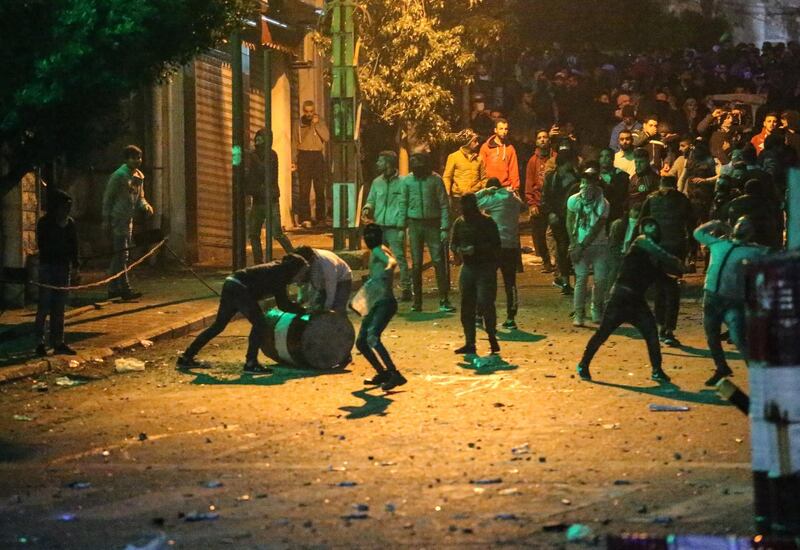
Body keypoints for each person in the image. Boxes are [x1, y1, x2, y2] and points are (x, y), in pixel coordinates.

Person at [576, 217, 682, 383]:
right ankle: (583, 364)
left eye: (654, 225)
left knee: (652, 334)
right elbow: (660, 253)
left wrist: (675, 277)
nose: (651, 229)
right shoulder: (640, 242)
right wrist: (676, 262)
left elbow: (663, 278)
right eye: (647, 225)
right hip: (621, 297)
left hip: (636, 301)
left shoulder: (653, 259)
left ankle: (657, 370)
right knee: (603, 333)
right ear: (641, 229)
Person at [176, 254, 309, 373]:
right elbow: (283, 304)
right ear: (295, 270)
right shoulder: (280, 275)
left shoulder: (278, 270)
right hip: (240, 289)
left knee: (218, 326)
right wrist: (305, 311)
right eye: (301, 273)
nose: (301, 277)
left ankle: (187, 357)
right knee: (260, 324)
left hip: (231, 283)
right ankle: (251, 363)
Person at [694, 217, 769, 386]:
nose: (741, 225)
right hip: (711, 297)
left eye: (746, 224)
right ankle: (721, 368)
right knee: (712, 337)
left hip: (733, 300)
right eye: (739, 222)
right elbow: (697, 233)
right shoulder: (719, 243)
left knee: (738, 338)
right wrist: (716, 223)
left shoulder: (753, 251)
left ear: (751, 232)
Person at [639, 175, 695, 346]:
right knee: (672, 290)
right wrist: (692, 250)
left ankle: (660, 325)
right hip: (676, 250)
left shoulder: (651, 199)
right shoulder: (683, 200)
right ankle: (668, 329)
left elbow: (641, 223)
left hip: (656, 250)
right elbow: (691, 225)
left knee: (660, 289)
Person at [399, 152, 454, 313]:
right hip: (415, 224)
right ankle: (417, 302)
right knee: (416, 265)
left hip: (433, 223)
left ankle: (443, 299)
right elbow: (403, 203)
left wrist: (444, 228)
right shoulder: (408, 181)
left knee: (438, 261)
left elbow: (444, 204)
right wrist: (402, 227)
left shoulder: (435, 180)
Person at [451, 193, 501, 355]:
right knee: (467, 307)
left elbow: (496, 246)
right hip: (469, 267)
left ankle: (492, 336)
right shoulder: (459, 223)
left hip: (484, 268)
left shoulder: (487, 222)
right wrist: (459, 251)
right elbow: (454, 244)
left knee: (486, 304)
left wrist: (477, 250)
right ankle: (470, 342)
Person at [357, 224, 406, 391]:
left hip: (384, 302)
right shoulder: (378, 250)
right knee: (362, 342)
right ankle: (383, 373)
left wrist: (388, 268)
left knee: (371, 338)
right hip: (376, 302)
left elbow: (391, 262)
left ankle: (394, 373)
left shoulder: (379, 250)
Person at [102, 144, 153, 300]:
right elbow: (108, 198)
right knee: (121, 254)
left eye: (139, 157)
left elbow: (140, 197)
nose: (137, 161)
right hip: (118, 218)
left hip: (128, 219)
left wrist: (145, 206)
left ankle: (115, 287)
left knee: (122, 255)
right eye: (134, 158)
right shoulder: (119, 176)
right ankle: (122, 288)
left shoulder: (139, 176)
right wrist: (105, 219)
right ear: (126, 159)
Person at [476, 177, 527, 329]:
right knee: (510, 283)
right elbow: (523, 207)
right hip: (511, 246)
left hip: (494, 246)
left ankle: (480, 315)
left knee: (486, 281)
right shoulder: (514, 200)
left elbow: (470, 201)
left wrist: (484, 192)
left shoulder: (493, 198)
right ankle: (511, 318)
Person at [362, 151, 412, 301]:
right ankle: (380, 290)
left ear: (388, 163)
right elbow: (371, 200)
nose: (378, 164)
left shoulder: (403, 182)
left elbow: (407, 203)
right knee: (376, 259)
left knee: (400, 258)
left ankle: (406, 289)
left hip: (395, 227)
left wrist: (403, 224)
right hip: (379, 226)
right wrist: (367, 208)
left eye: (380, 161)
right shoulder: (377, 182)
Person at [35, 189, 79, 357]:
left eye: (68, 207)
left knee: (59, 307)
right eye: (63, 207)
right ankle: (40, 342)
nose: (66, 211)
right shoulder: (45, 223)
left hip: (63, 268)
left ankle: (58, 342)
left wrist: (76, 266)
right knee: (44, 306)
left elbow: (74, 246)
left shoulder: (70, 224)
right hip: (48, 267)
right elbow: (44, 246)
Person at [566, 165, 610, 326]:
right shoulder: (573, 200)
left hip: (598, 245)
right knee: (581, 278)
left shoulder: (603, 203)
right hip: (578, 245)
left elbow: (597, 226)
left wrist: (581, 246)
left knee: (600, 279)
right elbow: (569, 221)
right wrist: (573, 243)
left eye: (590, 182)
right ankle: (578, 313)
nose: (586, 186)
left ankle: (596, 308)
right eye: (584, 182)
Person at [246, 128, 293, 263]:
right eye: (257, 139)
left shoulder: (272, 155)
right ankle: (258, 262)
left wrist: (253, 158)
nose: (257, 142)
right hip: (257, 200)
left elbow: (264, 171)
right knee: (254, 233)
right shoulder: (253, 155)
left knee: (277, 233)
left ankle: (296, 256)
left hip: (271, 200)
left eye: (261, 139)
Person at [541, 146, 579, 294]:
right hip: (558, 219)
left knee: (570, 249)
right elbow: (545, 198)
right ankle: (565, 281)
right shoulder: (552, 178)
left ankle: (572, 281)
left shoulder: (576, 178)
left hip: (572, 218)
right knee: (562, 249)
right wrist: (550, 213)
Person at [295, 100, 330, 228]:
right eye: (307, 111)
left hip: (317, 156)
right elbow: (295, 142)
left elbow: (326, 137)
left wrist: (316, 125)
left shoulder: (320, 122)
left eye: (311, 111)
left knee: (319, 188)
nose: (309, 114)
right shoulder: (299, 123)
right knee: (304, 189)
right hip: (304, 155)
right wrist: (294, 160)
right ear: (303, 111)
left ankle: (321, 218)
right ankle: (305, 218)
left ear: (314, 111)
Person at [525, 129, 556, 272]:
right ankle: (546, 261)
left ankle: (558, 262)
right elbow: (529, 182)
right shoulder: (533, 160)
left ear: (549, 140)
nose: (542, 139)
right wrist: (531, 203)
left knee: (555, 233)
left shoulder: (556, 157)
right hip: (538, 201)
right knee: (540, 234)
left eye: (545, 137)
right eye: (539, 138)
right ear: (536, 141)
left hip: (553, 202)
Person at [294, 246, 353, 315]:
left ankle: (341, 323)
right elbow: (305, 283)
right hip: (324, 280)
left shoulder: (327, 264)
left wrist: (327, 309)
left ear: (311, 259)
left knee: (337, 309)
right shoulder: (305, 260)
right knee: (317, 307)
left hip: (342, 278)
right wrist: (302, 300)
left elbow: (331, 290)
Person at [443, 129, 486, 219]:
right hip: (458, 198)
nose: (477, 143)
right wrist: (447, 195)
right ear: (467, 143)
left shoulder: (479, 159)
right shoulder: (454, 157)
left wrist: (483, 192)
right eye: (474, 141)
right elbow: (447, 177)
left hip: (475, 196)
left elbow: (484, 178)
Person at [480, 119, 520, 191]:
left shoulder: (510, 148)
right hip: (489, 188)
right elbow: (481, 169)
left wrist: (515, 188)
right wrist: (483, 187)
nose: (504, 132)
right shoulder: (485, 147)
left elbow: (513, 170)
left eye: (506, 129)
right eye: (501, 129)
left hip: (505, 188)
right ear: (495, 130)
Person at [598, 147, 630, 225]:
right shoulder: (594, 177)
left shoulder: (621, 176)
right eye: (602, 156)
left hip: (615, 214)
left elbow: (621, 196)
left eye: (607, 156)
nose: (604, 159)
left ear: (612, 158)